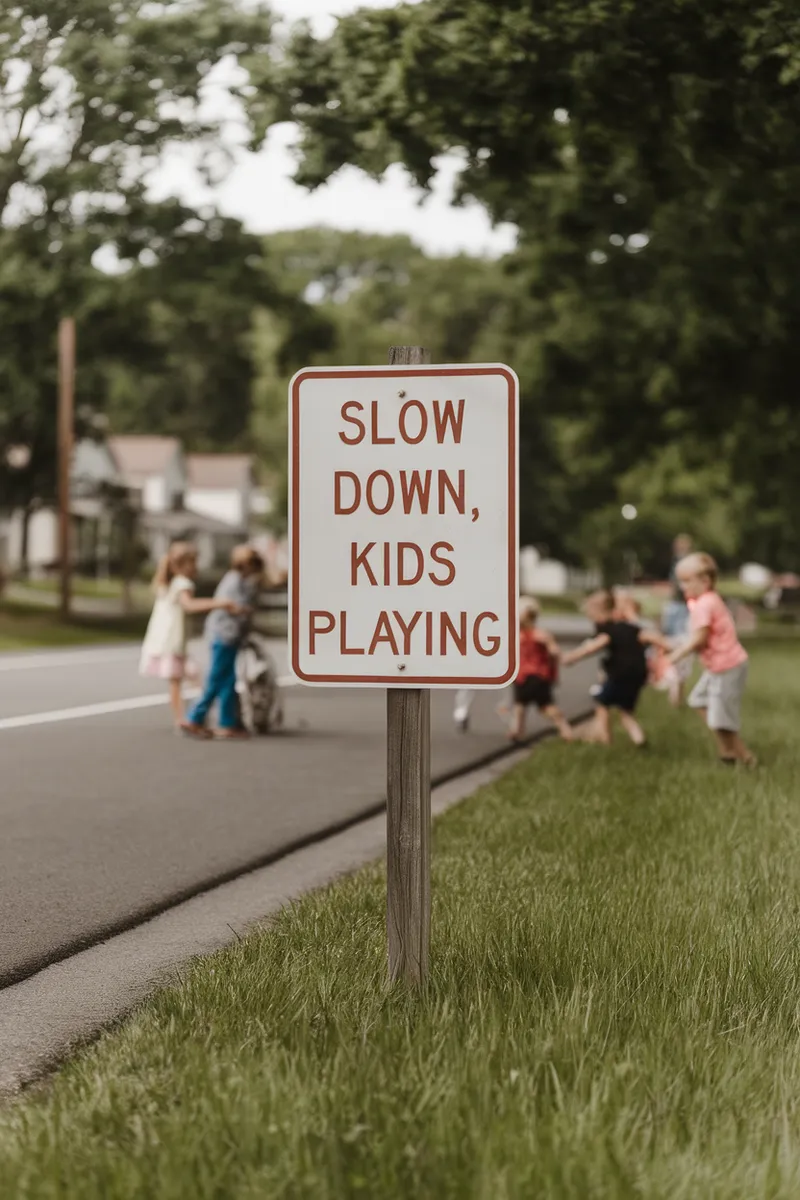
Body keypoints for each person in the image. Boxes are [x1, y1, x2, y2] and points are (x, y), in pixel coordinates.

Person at [139, 542, 243, 732]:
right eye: (192, 562)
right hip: (173, 641)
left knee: (184, 680)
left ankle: (191, 717)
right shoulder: (182, 583)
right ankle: (187, 719)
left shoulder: (166, 583)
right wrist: (221, 603)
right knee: (184, 680)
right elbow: (189, 605)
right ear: (181, 564)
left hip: (163, 640)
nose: (196, 567)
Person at [669, 552, 755, 766]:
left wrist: (678, 653)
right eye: (680, 581)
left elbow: (699, 638)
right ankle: (727, 746)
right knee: (698, 701)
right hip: (717, 667)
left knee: (721, 716)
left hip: (727, 666)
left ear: (705, 581)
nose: (682, 586)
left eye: (687, 580)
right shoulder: (702, 600)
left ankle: (742, 756)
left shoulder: (705, 603)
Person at [562, 590, 668, 746]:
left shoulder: (608, 631)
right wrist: (670, 646)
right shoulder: (629, 627)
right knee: (626, 711)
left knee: (601, 703)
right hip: (638, 674)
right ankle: (639, 739)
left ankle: (606, 740)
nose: (592, 620)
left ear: (601, 612)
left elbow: (592, 646)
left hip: (620, 673)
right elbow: (650, 636)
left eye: (592, 615)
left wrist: (572, 657)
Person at [183, 545, 265, 741]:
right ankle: (195, 716)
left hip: (231, 635)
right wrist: (246, 610)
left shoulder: (242, 580)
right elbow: (234, 607)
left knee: (228, 681)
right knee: (217, 678)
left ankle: (227, 723)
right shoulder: (235, 581)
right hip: (223, 634)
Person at [506, 596, 573, 743]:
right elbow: (554, 651)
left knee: (525, 705)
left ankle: (518, 730)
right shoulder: (538, 634)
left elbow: (553, 650)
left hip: (529, 675)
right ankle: (563, 728)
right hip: (534, 675)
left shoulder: (526, 635)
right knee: (534, 705)